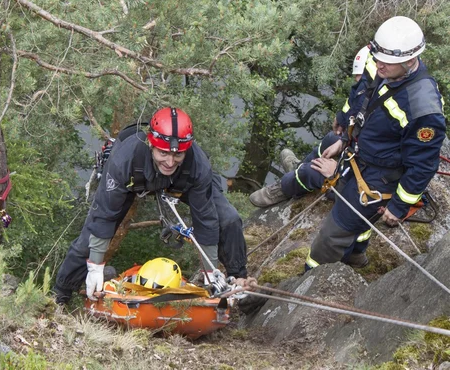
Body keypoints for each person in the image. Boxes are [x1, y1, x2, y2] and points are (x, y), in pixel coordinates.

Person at [257, 16, 447, 269]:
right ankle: (355, 253)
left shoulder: (423, 110)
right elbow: (362, 97)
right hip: (361, 152)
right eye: (378, 58)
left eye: (387, 62)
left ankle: (311, 276)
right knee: (327, 155)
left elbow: (423, 165)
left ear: (410, 60)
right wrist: (345, 133)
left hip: (380, 176)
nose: (379, 65)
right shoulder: (382, 64)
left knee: (331, 235)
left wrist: (400, 205)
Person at [53, 107, 248, 304]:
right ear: (151, 145)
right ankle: (60, 295)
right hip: (134, 179)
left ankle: (238, 283)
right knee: (89, 238)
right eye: (163, 153)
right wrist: (95, 265)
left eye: (177, 154)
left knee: (229, 219)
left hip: (183, 182)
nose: (170, 162)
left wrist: (210, 272)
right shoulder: (125, 159)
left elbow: (206, 220)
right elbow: (104, 216)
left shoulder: (197, 165)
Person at [249, 44, 375, 208]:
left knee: (311, 172)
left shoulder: (383, 106)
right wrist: (343, 134)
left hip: (367, 179)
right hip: (364, 153)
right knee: (332, 138)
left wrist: (337, 169)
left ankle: (285, 187)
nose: (357, 82)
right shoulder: (375, 91)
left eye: (361, 79)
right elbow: (357, 105)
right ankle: (298, 168)